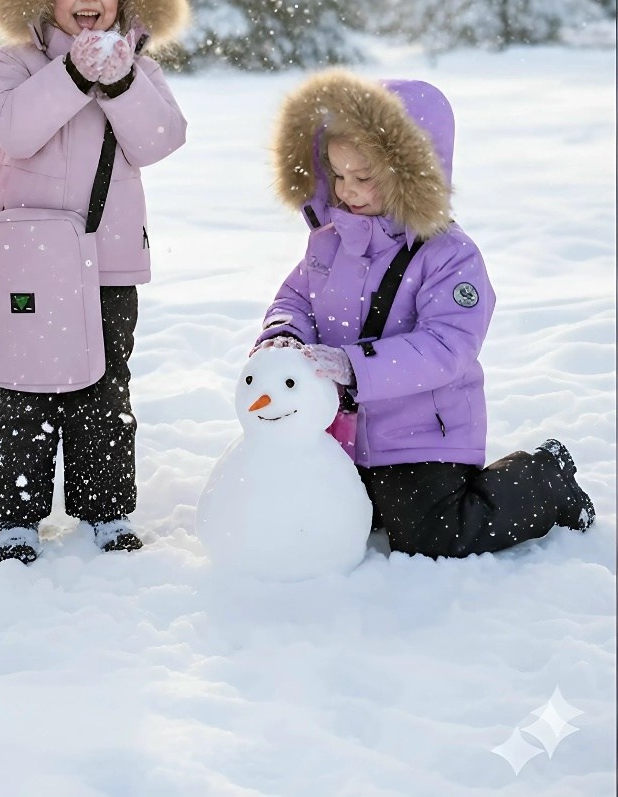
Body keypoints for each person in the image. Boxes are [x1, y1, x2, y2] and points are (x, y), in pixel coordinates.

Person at [251, 68, 595, 560]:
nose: (348, 191)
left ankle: (544, 478)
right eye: (338, 174)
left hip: (422, 434)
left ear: (411, 173)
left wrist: (353, 366)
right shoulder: (330, 243)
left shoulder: (449, 256)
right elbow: (295, 300)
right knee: (322, 513)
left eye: (364, 177)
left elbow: (447, 346)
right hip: (340, 432)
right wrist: (281, 337)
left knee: (431, 534)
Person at [0, 0, 189, 563]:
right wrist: (72, 73)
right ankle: (15, 514)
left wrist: (121, 82)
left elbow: (159, 140)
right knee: (24, 387)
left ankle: (106, 509)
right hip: (30, 259)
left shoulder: (141, 69)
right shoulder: (15, 64)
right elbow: (13, 127)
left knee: (105, 388)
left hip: (109, 259)